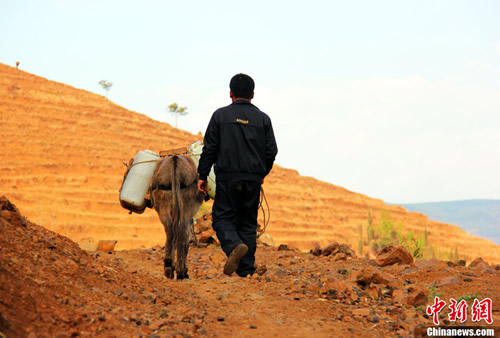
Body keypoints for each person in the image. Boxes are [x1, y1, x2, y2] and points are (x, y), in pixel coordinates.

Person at [197, 73, 278, 277]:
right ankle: (246, 271)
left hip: (227, 178)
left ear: (230, 93)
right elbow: (271, 152)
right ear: (252, 94)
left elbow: (209, 149)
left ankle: (234, 245)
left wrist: (202, 176)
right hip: (252, 180)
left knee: (222, 219)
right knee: (247, 223)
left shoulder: (220, 116)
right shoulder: (263, 119)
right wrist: (261, 174)